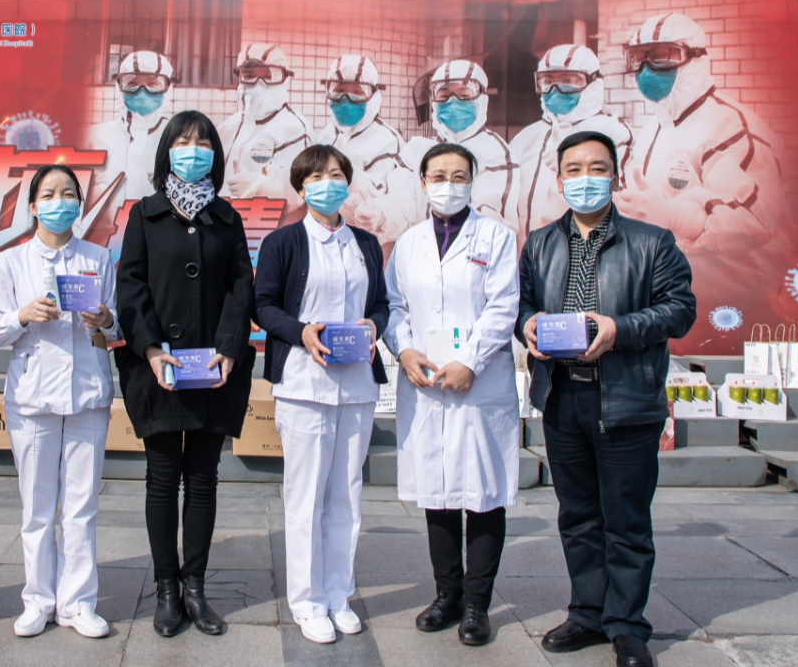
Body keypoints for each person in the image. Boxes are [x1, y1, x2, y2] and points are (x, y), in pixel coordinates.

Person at [515, 131, 696, 667]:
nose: (585, 178)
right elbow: (522, 303)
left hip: (624, 397)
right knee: (577, 515)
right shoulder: (540, 243)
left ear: (616, 176)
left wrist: (619, 329)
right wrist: (527, 324)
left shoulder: (652, 242)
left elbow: (680, 310)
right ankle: (587, 613)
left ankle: (627, 626)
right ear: (559, 179)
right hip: (562, 395)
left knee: (626, 519)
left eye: (597, 168)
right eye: (574, 169)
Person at [115, 110, 256, 638]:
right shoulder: (144, 215)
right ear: (167, 152)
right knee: (161, 478)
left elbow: (241, 287)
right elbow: (131, 287)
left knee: (202, 477)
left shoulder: (227, 217)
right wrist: (151, 348)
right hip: (160, 370)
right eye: (182, 142)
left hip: (213, 371)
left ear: (215, 155)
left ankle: (195, 588)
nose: (192, 151)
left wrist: (229, 348)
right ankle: (166, 591)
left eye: (202, 143)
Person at [383, 142, 521, 648]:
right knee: (437, 491)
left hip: (480, 384)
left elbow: (504, 306)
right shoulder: (408, 243)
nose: (448, 184)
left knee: (484, 494)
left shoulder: (497, 238)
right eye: (438, 175)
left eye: (459, 175)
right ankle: (448, 596)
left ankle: (478, 606)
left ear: (472, 181)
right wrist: (404, 350)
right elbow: (394, 306)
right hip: (426, 383)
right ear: (422, 182)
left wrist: (471, 362)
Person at [253, 144, 389, 644]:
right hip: (303, 384)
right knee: (306, 497)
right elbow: (262, 305)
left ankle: (338, 594)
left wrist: (373, 326)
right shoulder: (283, 242)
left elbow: (381, 303)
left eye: (335, 175)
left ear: (347, 183)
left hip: (356, 384)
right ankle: (308, 601)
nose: (327, 183)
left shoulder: (366, 243)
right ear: (301, 187)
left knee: (346, 495)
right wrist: (302, 332)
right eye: (315, 177)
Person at [0, 164, 121, 639]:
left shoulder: (98, 257)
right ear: (33, 206)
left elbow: (118, 324)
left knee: (81, 506)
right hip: (33, 395)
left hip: (87, 393)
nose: (59, 203)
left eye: (68, 194)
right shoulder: (11, 262)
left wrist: (104, 318)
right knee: (38, 507)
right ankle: (38, 599)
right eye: (49, 194)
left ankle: (78, 603)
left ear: (80, 205)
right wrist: (22, 315)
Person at [614, 12, 788, 311]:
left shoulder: (731, 127)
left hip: (728, 305)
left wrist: (677, 218)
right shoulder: (653, 129)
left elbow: (756, 221)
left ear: (696, 57)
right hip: (661, 300)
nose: (646, 69)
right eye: (639, 58)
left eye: (661, 56)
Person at [510, 45, 633, 245]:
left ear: (593, 82)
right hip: (524, 260)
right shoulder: (525, 139)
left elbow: (627, 211)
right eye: (548, 81)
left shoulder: (615, 136)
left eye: (567, 81)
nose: (555, 89)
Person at [400, 60, 520, 234]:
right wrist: (379, 214)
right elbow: (400, 206)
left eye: (464, 95)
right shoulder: (417, 149)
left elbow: (488, 216)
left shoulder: (496, 152)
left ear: (482, 99)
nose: (453, 102)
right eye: (444, 96)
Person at [315, 55, 422, 244]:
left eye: (356, 93)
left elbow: (388, 204)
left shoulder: (388, 141)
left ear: (373, 95)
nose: (346, 100)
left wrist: (346, 175)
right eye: (339, 91)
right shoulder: (325, 135)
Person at [83, 51, 175, 217]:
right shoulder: (93, 138)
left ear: (167, 89)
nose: (142, 91)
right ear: (119, 87)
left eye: (152, 84)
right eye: (132, 84)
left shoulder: (178, 137)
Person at [218, 44, 313, 205]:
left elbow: (299, 189)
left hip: (263, 219)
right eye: (250, 76)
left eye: (267, 76)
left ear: (284, 79)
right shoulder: (227, 127)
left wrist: (260, 185)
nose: (258, 84)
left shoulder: (295, 129)